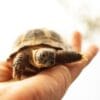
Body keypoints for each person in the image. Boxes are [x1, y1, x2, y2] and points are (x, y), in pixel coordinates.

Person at [0, 32, 98, 100]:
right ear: (35, 55)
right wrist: (16, 75)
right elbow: (19, 57)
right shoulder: (24, 54)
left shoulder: (56, 55)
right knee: (20, 58)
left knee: (61, 56)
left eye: (51, 55)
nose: (48, 59)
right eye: (43, 56)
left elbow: (61, 55)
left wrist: (77, 56)